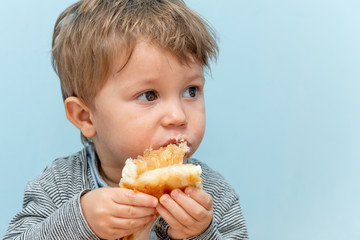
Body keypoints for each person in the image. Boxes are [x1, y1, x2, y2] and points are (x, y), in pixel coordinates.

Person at [3, 0, 248, 239]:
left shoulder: (214, 194)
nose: (178, 116)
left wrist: (201, 234)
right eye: (149, 95)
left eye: (190, 91)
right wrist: (81, 222)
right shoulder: (57, 186)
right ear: (85, 117)